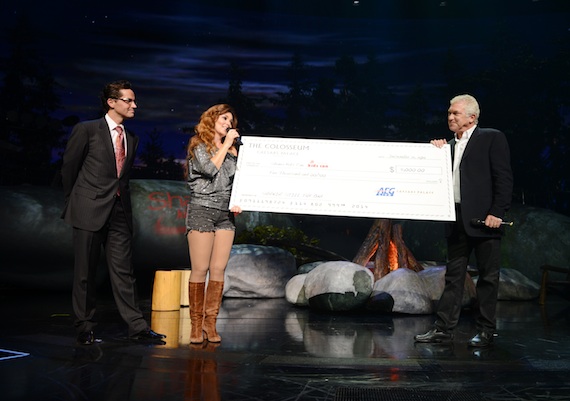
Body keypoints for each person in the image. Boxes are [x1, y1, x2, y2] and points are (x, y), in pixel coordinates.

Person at [61, 80, 165, 345]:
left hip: (119, 210)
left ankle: (138, 328)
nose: (134, 105)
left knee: (123, 271)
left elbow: (123, 178)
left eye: (134, 100)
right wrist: (76, 201)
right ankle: (84, 327)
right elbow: (69, 168)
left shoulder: (131, 137)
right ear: (111, 102)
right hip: (88, 208)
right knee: (85, 271)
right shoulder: (86, 130)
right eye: (129, 100)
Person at [414, 94, 513, 348]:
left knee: (488, 278)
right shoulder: (447, 146)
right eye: (449, 113)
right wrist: (436, 152)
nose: (450, 117)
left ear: (472, 117)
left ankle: (486, 330)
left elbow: (503, 178)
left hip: (484, 220)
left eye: (455, 113)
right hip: (456, 219)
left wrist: (497, 213)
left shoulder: (491, 137)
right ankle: (444, 330)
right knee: (454, 277)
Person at [185, 103, 242, 344]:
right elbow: (208, 169)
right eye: (224, 118)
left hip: (225, 215)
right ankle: (196, 325)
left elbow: (239, 180)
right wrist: (227, 143)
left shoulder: (233, 152)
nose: (228, 123)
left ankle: (211, 323)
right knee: (200, 269)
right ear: (212, 119)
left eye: (231, 120)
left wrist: (240, 199)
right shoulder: (198, 144)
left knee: (218, 269)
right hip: (202, 210)